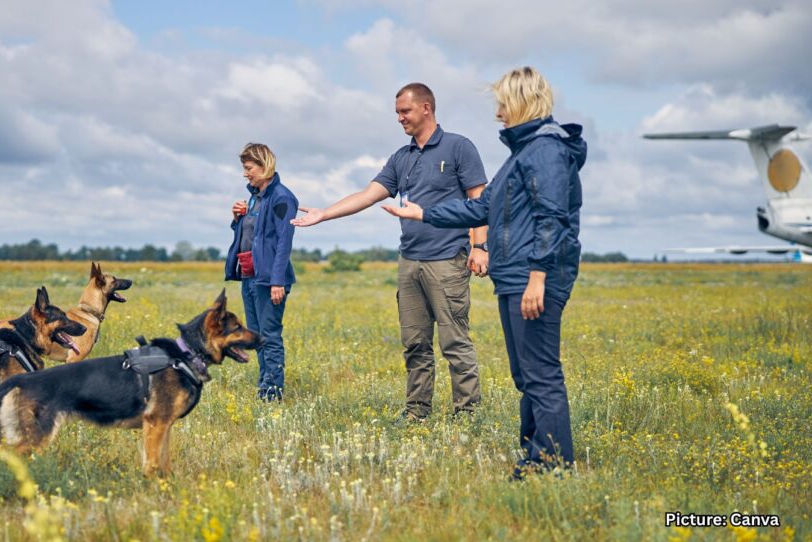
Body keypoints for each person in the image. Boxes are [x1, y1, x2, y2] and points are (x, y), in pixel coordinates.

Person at [382, 67, 585, 477]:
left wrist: (539, 277)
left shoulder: (546, 150)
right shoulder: (522, 154)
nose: (498, 112)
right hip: (514, 278)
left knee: (541, 375)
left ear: (523, 102)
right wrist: (425, 213)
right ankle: (535, 458)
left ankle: (552, 465)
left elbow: (552, 218)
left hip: (531, 277)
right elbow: (481, 207)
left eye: (503, 103)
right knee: (526, 376)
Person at [291, 83, 489, 422]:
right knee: (415, 343)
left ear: (426, 108)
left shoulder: (459, 147)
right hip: (409, 262)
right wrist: (324, 213)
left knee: (454, 342)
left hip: (447, 260)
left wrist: (480, 246)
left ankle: (467, 415)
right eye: (397, 112)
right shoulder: (402, 158)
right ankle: (416, 412)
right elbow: (368, 194)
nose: (400, 118)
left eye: (405, 111)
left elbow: (479, 199)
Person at [225, 143, 298, 401]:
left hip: (270, 280)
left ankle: (272, 394)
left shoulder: (282, 198)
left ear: (264, 165)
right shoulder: (255, 198)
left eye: (249, 168)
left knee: (270, 337)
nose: (245, 174)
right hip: (249, 276)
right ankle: (264, 388)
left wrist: (277, 281)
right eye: (244, 169)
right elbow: (251, 236)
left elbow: (284, 242)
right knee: (256, 337)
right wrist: (237, 219)